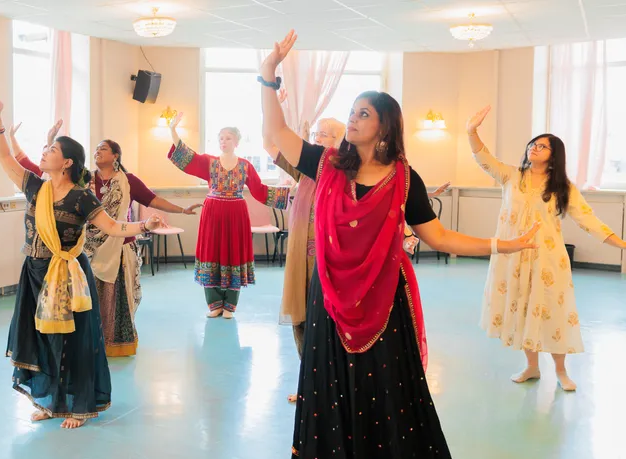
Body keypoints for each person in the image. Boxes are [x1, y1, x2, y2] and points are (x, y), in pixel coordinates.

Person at [261, 31, 538, 459]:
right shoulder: (326, 164)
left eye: (363, 113)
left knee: (385, 394)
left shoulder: (406, 179)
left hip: (384, 304)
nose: (352, 117)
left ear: (386, 127)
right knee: (331, 388)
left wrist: (505, 245)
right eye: (352, 111)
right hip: (329, 301)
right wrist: (268, 74)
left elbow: (440, 238)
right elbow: (276, 135)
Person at [0, 95, 165, 429]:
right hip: (35, 272)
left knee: (70, 339)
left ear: (67, 162)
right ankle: (49, 400)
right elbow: (2, 155)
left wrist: (145, 226)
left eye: (52, 150)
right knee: (40, 336)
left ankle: (77, 405)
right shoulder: (34, 188)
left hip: (68, 274)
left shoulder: (81, 196)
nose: (45, 153)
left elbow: (112, 227)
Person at [265, 116, 447, 403]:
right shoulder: (309, 168)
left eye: (325, 134)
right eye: (316, 133)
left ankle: (341, 389)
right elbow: (272, 140)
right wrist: (272, 90)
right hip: (304, 260)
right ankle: (312, 382)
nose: (318, 138)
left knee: (341, 324)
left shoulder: (343, 172)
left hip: (339, 265)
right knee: (306, 322)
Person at [467, 105, 626, 392]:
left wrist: (621, 243)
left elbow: (588, 219)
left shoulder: (563, 186)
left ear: (554, 156)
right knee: (525, 309)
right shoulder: (511, 176)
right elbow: (484, 159)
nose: (535, 148)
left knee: (552, 310)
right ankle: (531, 367)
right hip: (514, 256)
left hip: (548, 259)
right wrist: (471, 131)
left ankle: (562, 371)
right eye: (534, 144)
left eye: (543, 146)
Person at [166, 113, 291, 319]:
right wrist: (173, 131)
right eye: (221, 138)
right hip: (213, 212)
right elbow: (188, 158)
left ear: (237, 142)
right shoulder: (209, 162)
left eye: (228, 138)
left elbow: (259, 190)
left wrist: (287, 193)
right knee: (211, 252)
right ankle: (214, 304)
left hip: (236, 213)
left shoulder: (245, 165)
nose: (224, 141)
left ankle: (230, 305)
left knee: (234, 253)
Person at [85, 139, 202, 357]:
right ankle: (91, 341)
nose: (97, 152)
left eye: (103, 149)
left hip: (121, 247)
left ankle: (115, 343)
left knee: (119, 296)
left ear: (116, 156)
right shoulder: (86, 180)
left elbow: (153, 200)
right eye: (96, 150)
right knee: (91, 296)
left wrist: (182, 210)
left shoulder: (128, 181)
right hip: (92, 248)